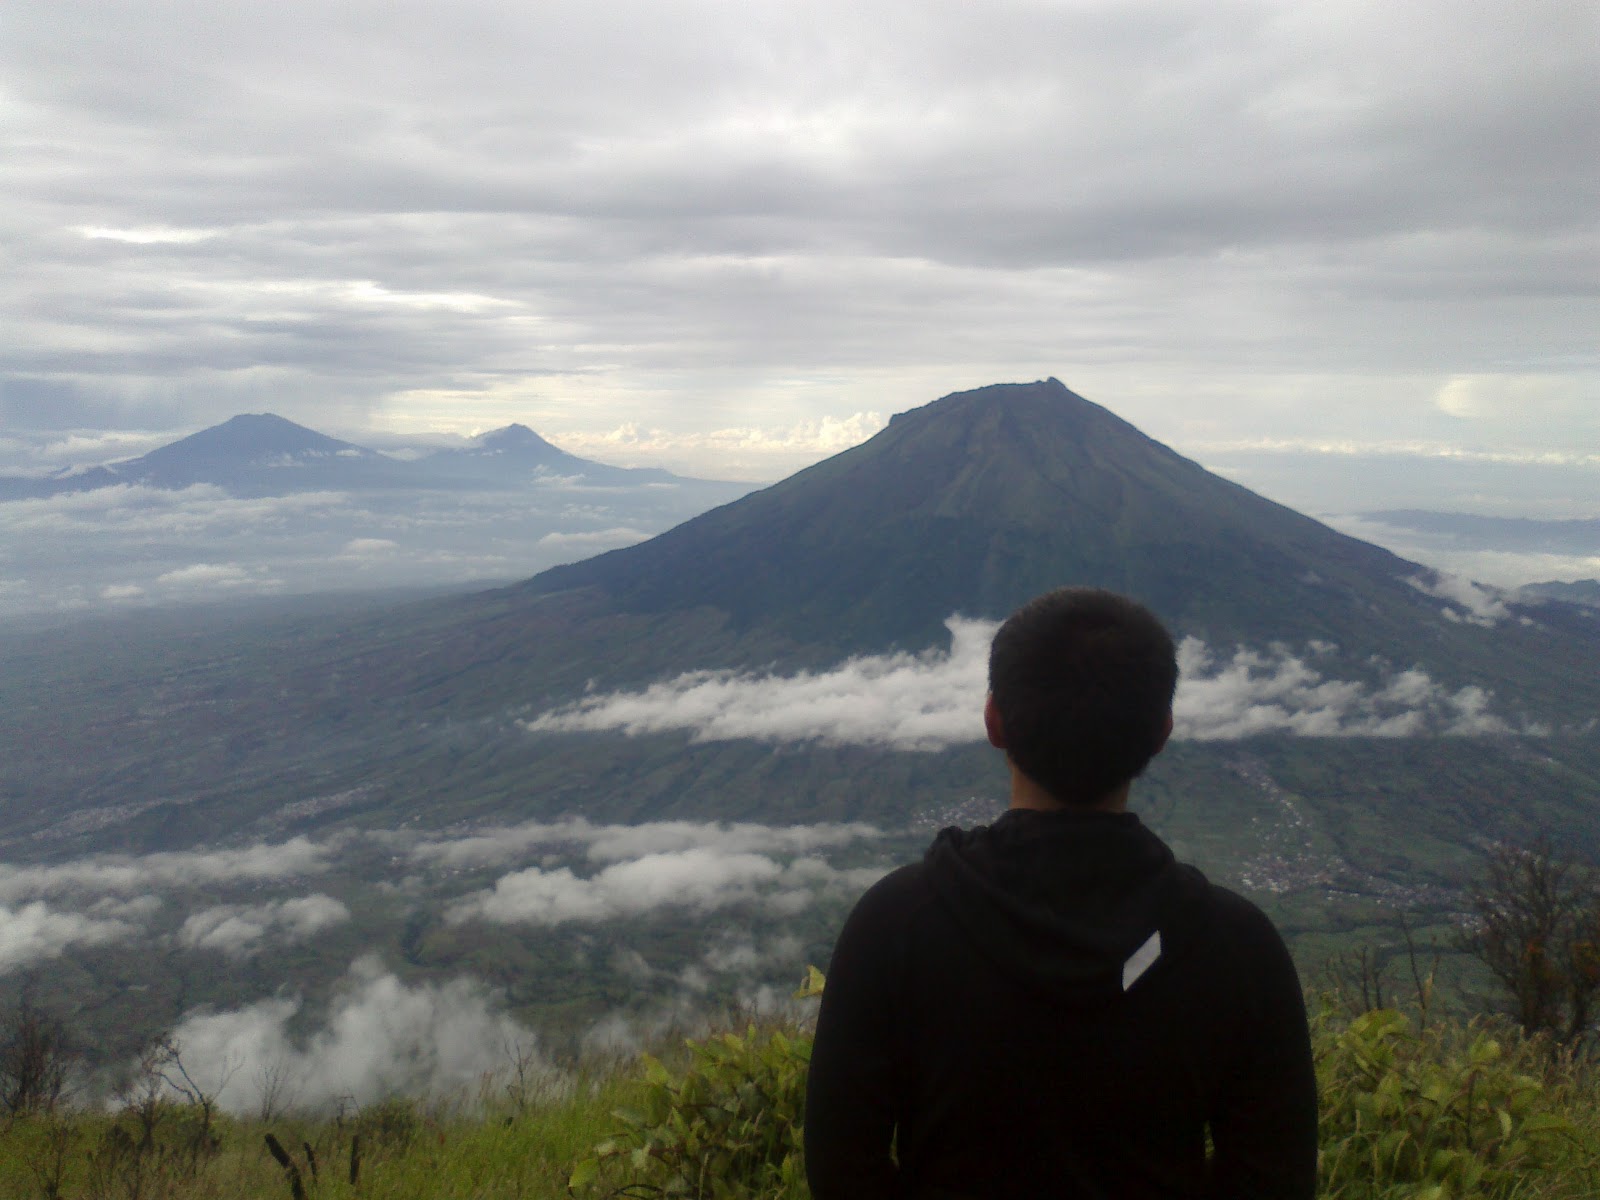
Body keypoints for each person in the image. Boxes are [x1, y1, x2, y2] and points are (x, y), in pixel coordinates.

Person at [804, 587, 1318, 1199]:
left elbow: (841, 1167)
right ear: (1161, 732)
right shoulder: (1239, 948)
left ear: (993, 721)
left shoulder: (896, 924)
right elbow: (1275, 1179)